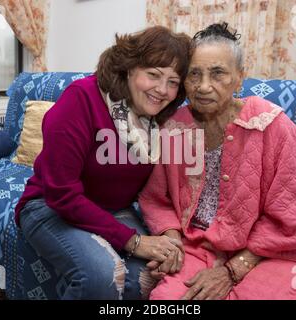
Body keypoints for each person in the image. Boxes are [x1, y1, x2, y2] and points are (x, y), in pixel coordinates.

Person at [139, 22, 296, 300]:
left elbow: (288, 215)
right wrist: (171, 240)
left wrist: (232, 270)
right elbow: (156, 197)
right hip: (198, 243)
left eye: (218, 73)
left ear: (239, 78)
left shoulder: (273, 126)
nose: (204, 86)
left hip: (270, 250)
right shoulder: (174, 128)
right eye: (194, 74)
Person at [15, 26, 190, 300]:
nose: (162, 90)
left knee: (147, 276)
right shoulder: (81, 98)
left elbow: (160, 193)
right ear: (130, 68)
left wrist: (170, 238)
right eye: (153, 75)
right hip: (49, 206)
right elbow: (61, 193)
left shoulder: (160, 121)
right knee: (103, 276)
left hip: (114, 210)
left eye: (173, 81)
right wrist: (133, 241)